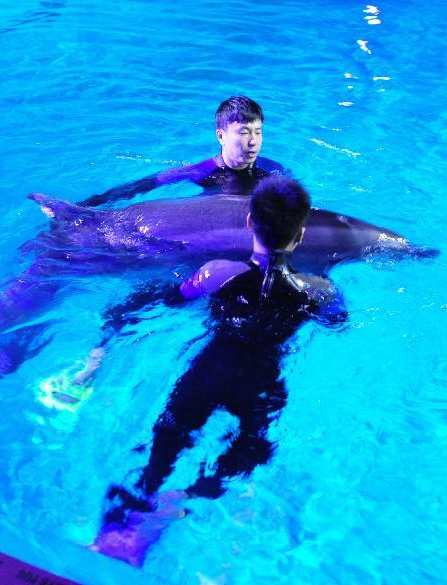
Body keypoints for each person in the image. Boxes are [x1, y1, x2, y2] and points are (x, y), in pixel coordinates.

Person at [88, 176, 347, 566]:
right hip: (262, 383)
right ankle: (186, 498)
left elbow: (175, 299)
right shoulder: (318, 290)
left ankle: (137, 503)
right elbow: (337, 322)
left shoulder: (217, 272)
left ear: (248, 223)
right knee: (251, 448)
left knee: (169, 437)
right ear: (301, 236)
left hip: (208, 371)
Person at [79, 96, 289, 207]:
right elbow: (142, 185)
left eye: (258, 132)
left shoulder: (272, 170)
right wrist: (86, 206)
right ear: (221, 136)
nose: (253, 141)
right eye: (244, 132)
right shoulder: (202, 171)